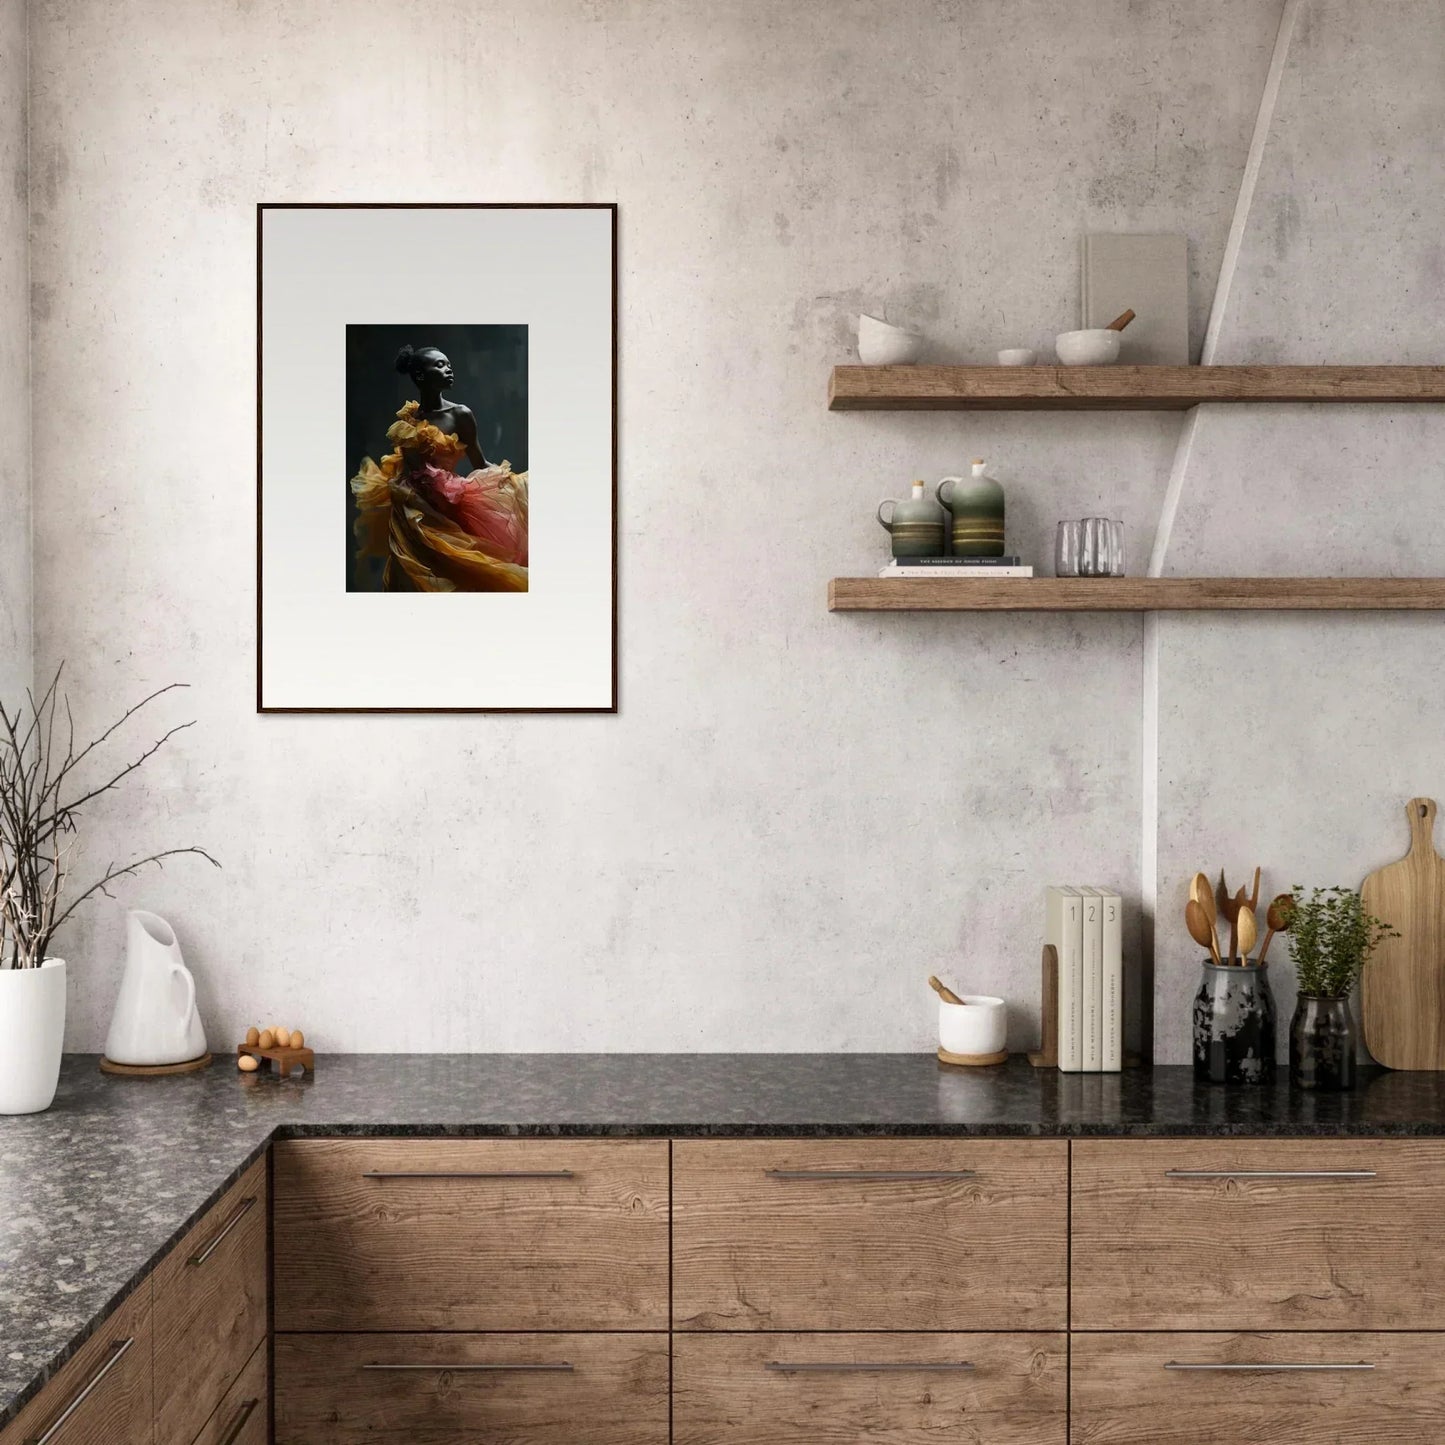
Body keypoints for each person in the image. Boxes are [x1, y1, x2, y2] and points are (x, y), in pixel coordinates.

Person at [350, 344, 528, 591]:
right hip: (410, 508)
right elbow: (408, 463)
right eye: (440, 365)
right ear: (421, 376)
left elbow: (478, 461)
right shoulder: (409, 419)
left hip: (445, 506)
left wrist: (514, 480)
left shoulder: (460, 414)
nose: (448, 369)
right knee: (411, 574)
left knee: (456, 570)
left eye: (449, 365)